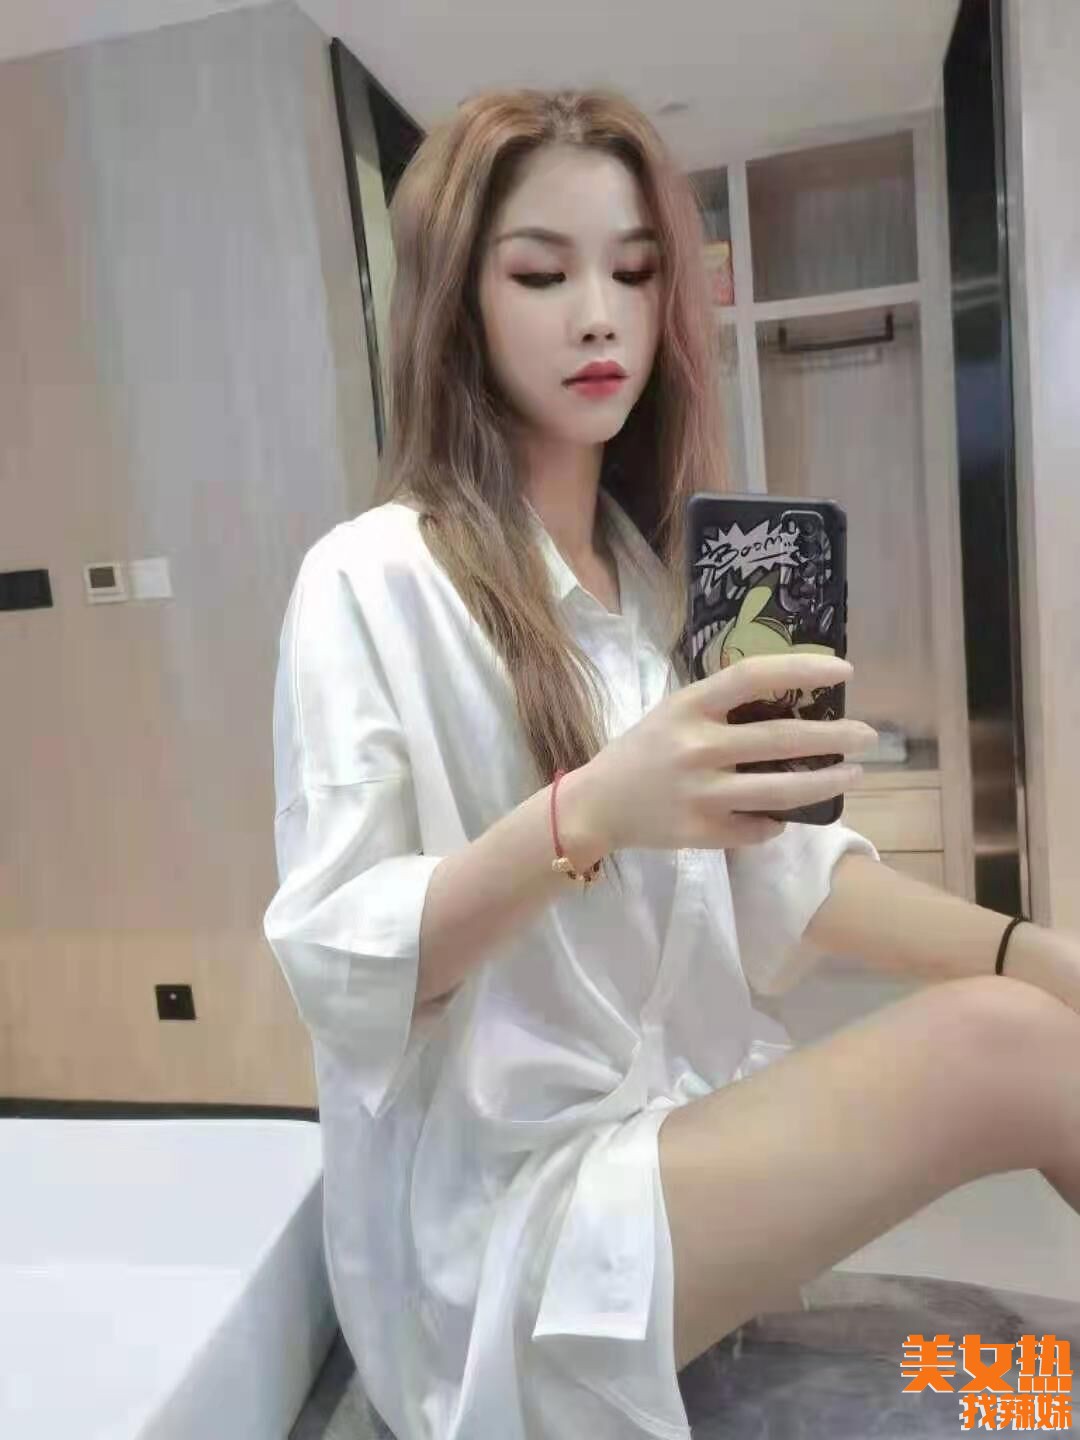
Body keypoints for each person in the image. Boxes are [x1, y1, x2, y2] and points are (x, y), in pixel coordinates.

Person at [263, 87, 1080, 1440]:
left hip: (662, 1172)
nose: (600, 315)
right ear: (457, 302)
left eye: (636, 273)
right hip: (507, 1246)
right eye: (542, 274)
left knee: (1038, 1041)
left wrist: (1031, 948)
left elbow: (789, 879)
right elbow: (345, 961)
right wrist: (592, 811)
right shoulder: (372, 579)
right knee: (1010, 1049)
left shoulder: (653, 587)